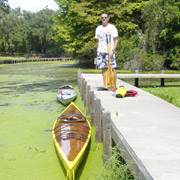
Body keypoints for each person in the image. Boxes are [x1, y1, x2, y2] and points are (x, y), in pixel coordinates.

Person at [95, 12, 118, 89]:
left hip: (110, 51)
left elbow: (116, 40)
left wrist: (112, 51)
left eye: (105, 17)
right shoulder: (98, 29)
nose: (104, 19)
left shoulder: (112, 27)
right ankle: (106, 85)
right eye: (102, 17)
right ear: (101, 19)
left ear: (108, 18)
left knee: (112, 68)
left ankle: (114, 85)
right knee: (103, 68)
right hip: (101, 51)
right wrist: (98, 50)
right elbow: (97, 41)